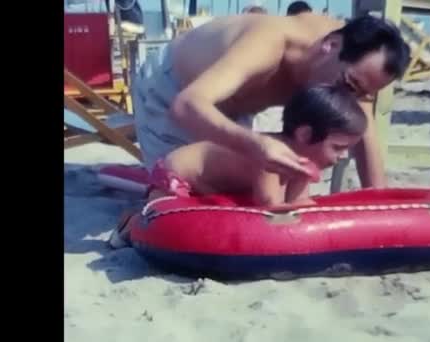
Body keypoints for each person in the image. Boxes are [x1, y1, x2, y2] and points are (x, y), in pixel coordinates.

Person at [132, 13, 410, 190]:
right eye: (350, 86)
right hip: (174, 88)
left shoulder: (355, 67)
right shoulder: (269, 42)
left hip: (234, 106)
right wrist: (256, 144)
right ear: (331, 45)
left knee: (237, 187)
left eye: (362, 95)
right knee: (174, 184)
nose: (350, 99)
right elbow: (186, 105)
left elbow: (364, 134)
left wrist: (379, 204)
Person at [109, 84, 366, 248]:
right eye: (338, 147)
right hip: (176, 174)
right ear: (306, 135)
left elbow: (300, 204)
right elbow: (271, 210)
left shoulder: (302, 164)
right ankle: (130, 222)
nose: (344, 157)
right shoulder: (269, 156)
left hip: (211, 184)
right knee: (159, 221)